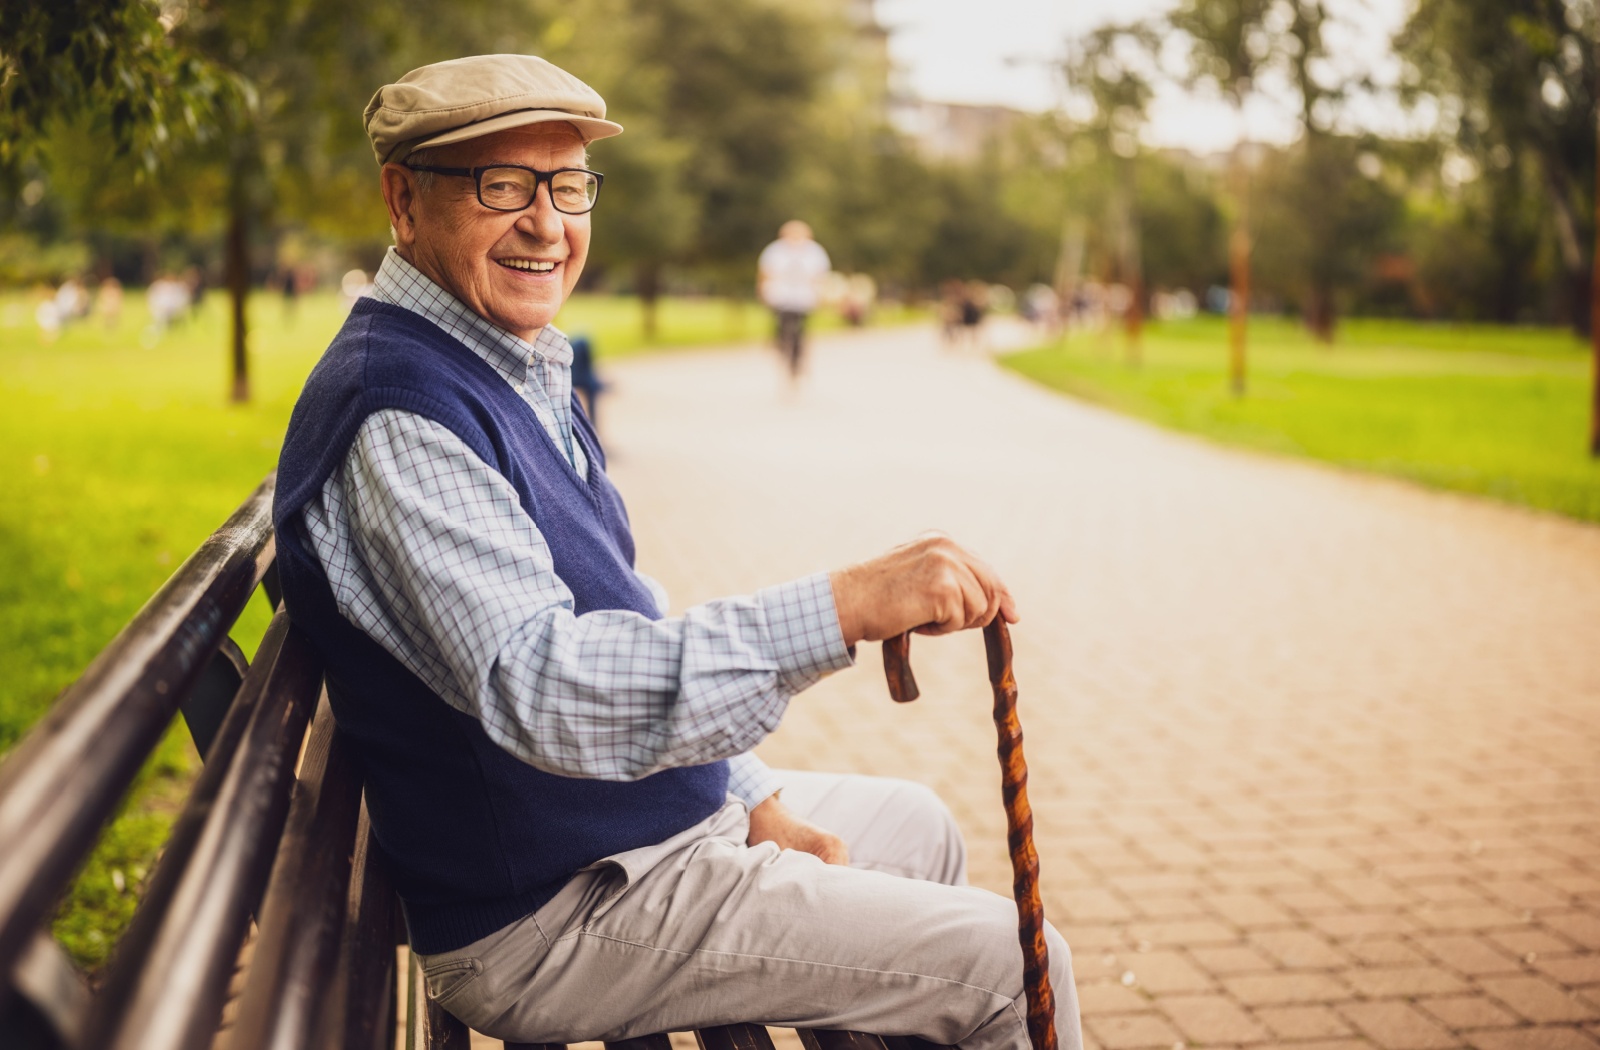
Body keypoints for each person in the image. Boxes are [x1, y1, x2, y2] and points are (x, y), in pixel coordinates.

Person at [271, 55, 1081, 1050]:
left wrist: (748, 797)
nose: (546, 222)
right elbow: (548, 688)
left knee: (917, 828)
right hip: (551, 917)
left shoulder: (501, 363)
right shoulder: (402, 415)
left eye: (567, 185)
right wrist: (840, 607)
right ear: (403, 200)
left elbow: (623, 618)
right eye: (501, 185)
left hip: (616, 843)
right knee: (1011, 961)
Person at [758, 219, 830, 384]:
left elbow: (821, 276)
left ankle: (797, 360)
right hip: (781, 295)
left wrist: (821, 294)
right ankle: (780, 345)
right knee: (782, 323)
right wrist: (763, 291)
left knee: (800, 329)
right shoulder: (774, 251)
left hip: (804, 297)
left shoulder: (814, 251)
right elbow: (765, 273)